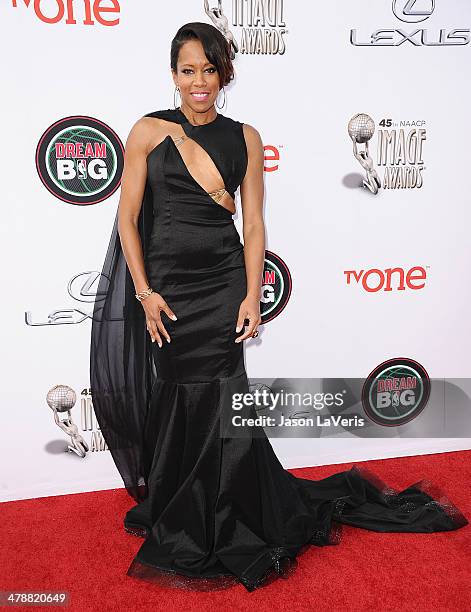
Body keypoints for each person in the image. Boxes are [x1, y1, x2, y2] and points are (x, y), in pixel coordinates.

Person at [89, 22, 468, 593]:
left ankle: (225, 515)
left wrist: (249, 294)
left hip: (219, 288)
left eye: (210, 70)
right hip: (164, 294)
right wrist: (143, 293)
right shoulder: (146, 131)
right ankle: (178, 507)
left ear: (224, 75)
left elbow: (255, 222)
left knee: (222, 400)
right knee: (173, 398)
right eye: (188, 70)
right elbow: (127, 218)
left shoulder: (245, 137)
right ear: (173, 74)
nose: (199, 82)